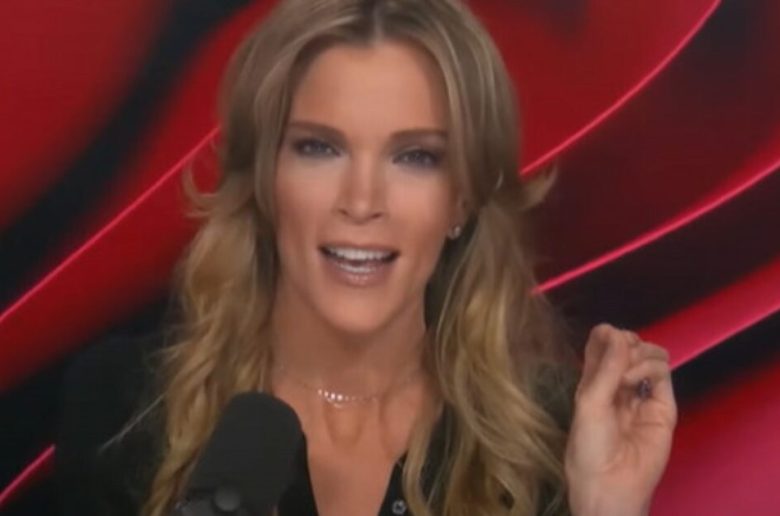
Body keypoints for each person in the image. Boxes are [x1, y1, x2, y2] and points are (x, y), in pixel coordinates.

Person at [56, 0, 677, 515]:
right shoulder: (124, 409)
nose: (361, 201)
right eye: (319, 148)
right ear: (266, 181)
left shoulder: (555, 434)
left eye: (416, 157)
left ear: (461, 199)